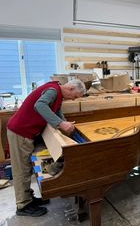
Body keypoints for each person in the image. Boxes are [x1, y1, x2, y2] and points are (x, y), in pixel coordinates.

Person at [7, 79, 86, 217]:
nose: (74, 99)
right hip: (20, 132)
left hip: (24, 132)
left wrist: (64, 124)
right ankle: (23, 205)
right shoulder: (53, 91)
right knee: (21, 170)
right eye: (75, 96)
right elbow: (40, 105)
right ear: (71, 89)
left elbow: (57, 111)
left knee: (26, 167)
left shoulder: (58, 93)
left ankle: (28, 198)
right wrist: (61, 124)